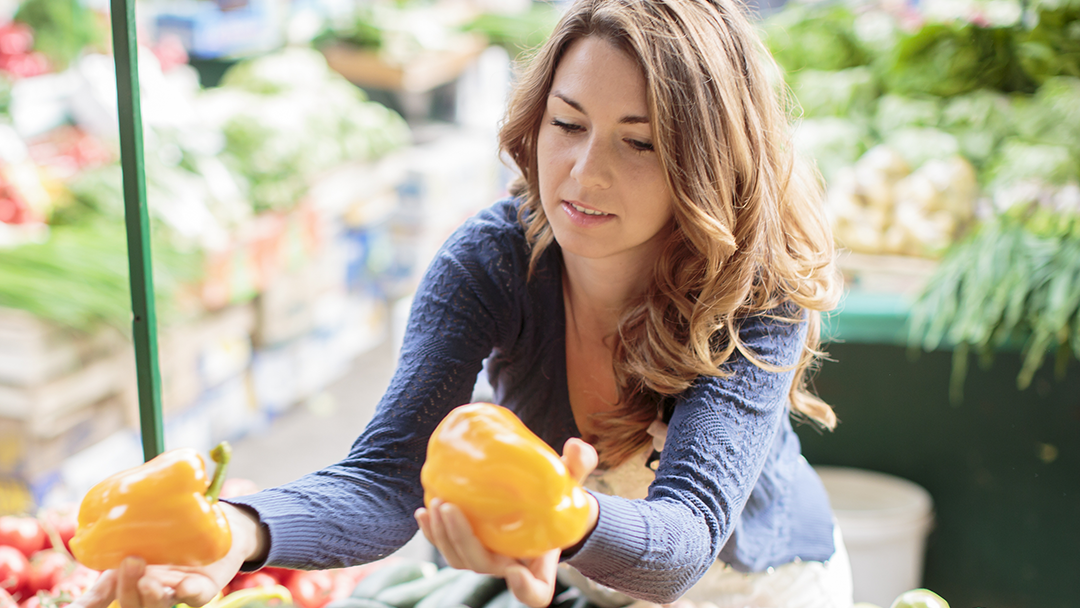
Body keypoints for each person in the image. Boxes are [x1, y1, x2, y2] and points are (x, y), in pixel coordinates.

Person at [72, 1, 851, 607]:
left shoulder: (753, 293)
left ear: (705, 159)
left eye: (637, 142)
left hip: (757, 587)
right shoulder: (494, 260)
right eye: (567, 124)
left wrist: (550, 513)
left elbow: (685, 543)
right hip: (584, 582)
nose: (583, 173)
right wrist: (236, 531)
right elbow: (387, 479)